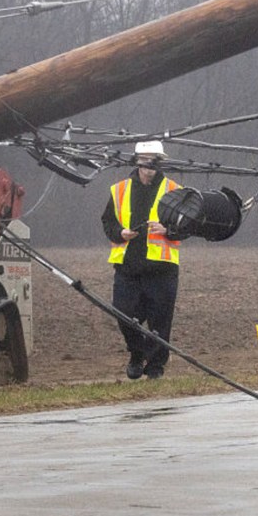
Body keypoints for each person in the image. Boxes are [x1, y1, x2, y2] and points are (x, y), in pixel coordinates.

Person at [101, 140, 186, 380]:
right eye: (146, 161)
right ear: (137, 161)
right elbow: (108, 222)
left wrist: (167, 229)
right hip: (128, 268)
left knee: (160, 322)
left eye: (155, 162)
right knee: (123, 314)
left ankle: (156, 367)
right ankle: (137, 354)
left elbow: (187, 227)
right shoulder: (118, 190)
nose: (150, 167)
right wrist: (120, 233)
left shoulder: (175, 190)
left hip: (162, 269)